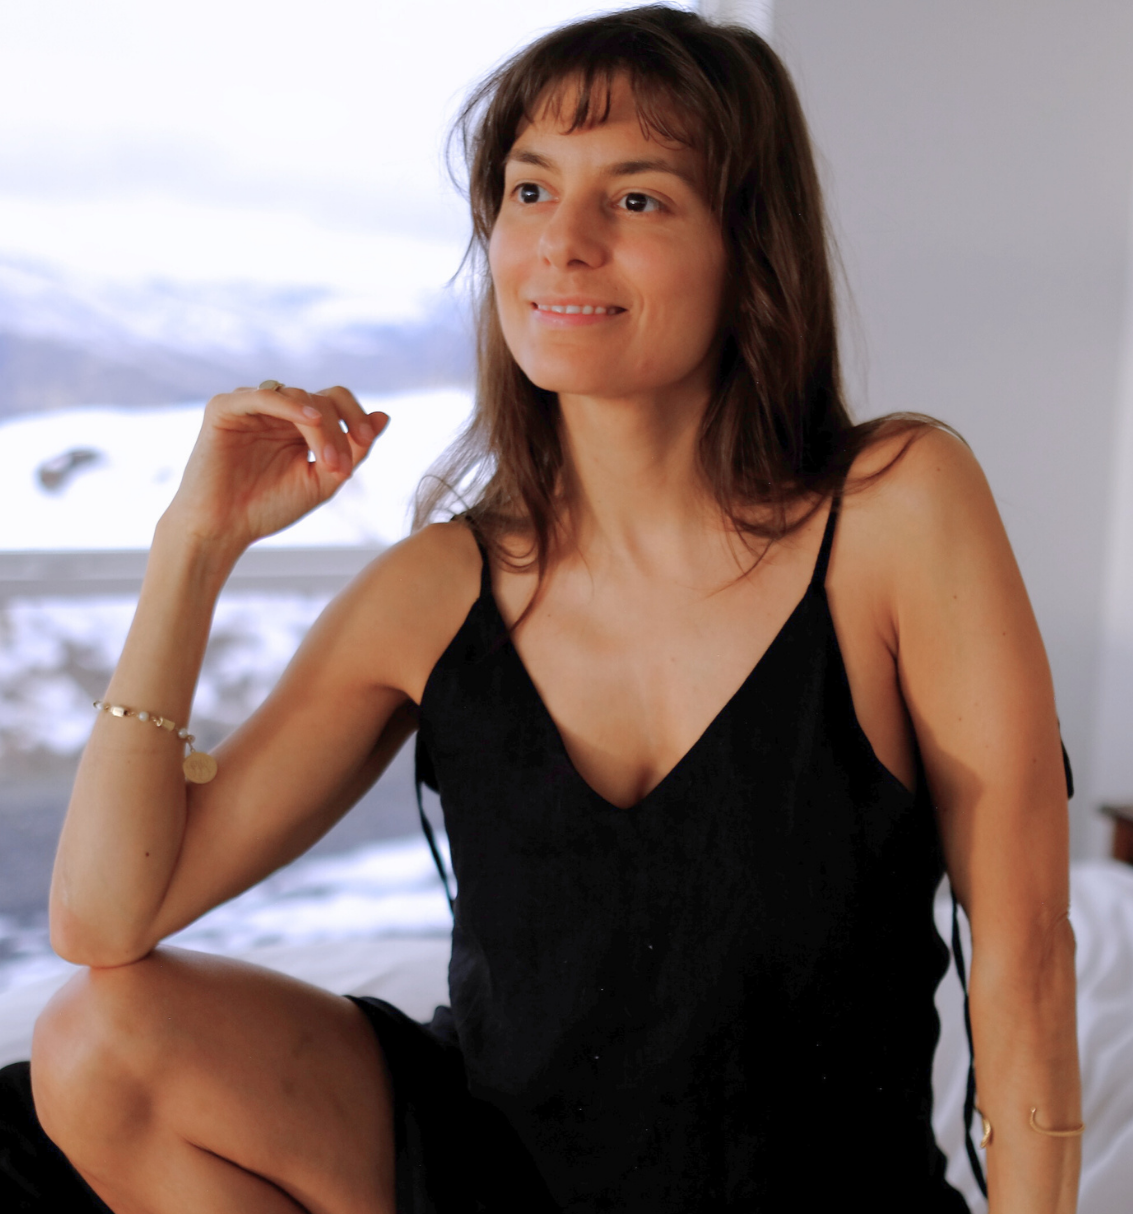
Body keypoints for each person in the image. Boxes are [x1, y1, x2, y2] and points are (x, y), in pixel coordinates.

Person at [13, 6, 1080, 1212]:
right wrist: (192, 546)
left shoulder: (895, 508)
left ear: (748, 248)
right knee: (99, 1039)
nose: (561, 243)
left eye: (636, 198)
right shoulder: (434, 588)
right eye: (529, 191)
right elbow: (103, 916)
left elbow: (1025, 957)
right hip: (500, 1180)